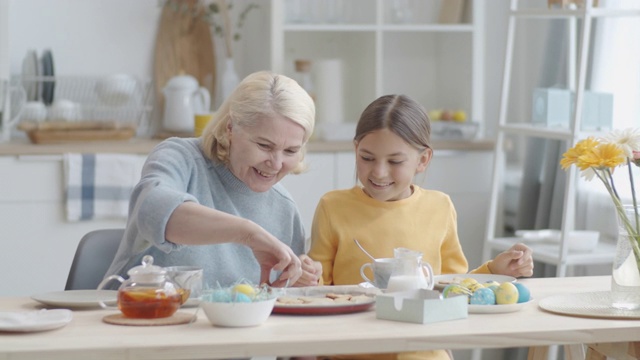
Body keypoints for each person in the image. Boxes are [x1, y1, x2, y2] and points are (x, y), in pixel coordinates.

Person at [307, 94, 534, 360]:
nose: (379, 172)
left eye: (394, 161)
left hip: (423, 350)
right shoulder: (333, 206)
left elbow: (454, 289)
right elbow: (316, 290)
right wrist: (306, 277)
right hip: (354, 351)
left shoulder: (439, 207)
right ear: (356, 149)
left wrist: (495, 270)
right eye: (367, 158)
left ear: (423, 160)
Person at [105, 71, 321, 289]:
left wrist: (299, 278)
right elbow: (153, 212)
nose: (275, 163)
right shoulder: (181, 157)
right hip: (134, 315)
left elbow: (278, 299)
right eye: (264, 146)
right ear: (230, 128)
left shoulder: (284, 208)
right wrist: (249, 234)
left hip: (223, 323)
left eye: (291, 151)